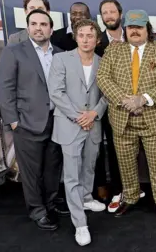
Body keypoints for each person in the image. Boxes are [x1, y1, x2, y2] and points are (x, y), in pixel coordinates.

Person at [96, 9, 156, 225]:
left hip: (154, 118)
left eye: (139, 27)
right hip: (122, 118)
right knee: (125, 164)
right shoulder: (113, 51)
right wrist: (126, 101)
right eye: (131, 27)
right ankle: (130, 197)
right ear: (126, 29)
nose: (135, 31)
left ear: (147, 29)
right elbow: (102, 78)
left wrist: (143, 99)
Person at [0, 9, 67, 230]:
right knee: (31, 172)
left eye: (43, 24)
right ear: (28, 28)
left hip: (56, 121)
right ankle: (37, 211)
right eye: (34, 24)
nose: (39, 28)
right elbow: (5, 88)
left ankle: (50, 203)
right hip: (27, 123)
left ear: (51, 28)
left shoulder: (60, 53)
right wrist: (14, 121)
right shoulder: (14, 51)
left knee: (52, 168)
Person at [48, 19, 107, 246]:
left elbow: (106, 94)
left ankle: (86, 197)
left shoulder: (103, 62)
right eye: (81, 35)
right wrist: (79, 116)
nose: (85, 39)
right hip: (69, 124)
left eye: (89, 35)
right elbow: (56, 92)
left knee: (89, 165)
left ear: (97, 39)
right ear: (76, 37)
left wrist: (93, 114)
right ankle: (80, 223)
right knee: (71, 174)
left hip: (93, 124)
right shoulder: (61, 59)